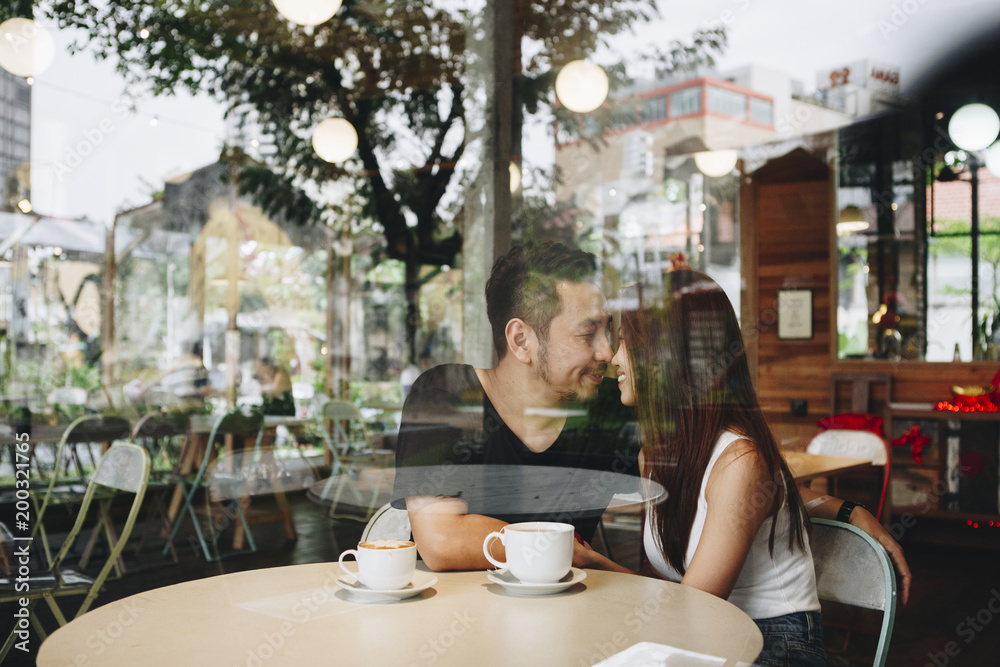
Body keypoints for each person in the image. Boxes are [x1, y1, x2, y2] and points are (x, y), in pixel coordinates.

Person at [611, 270, 910, 666]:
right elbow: (763, 497)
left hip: (773, 645)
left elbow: (693, 605)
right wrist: (846, 508)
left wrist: (600, 565)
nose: (612, 358)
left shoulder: (740, 460)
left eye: (624, 343)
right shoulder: (658, 455)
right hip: (704, 635)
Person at [390, 241, 636, 573]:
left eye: (608, 331)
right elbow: (442, 542)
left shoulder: (609, 406)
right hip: (451, 612)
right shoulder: (446, 394)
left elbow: (676, 494)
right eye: (588, 333)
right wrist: (578, 554)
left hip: (568, 617)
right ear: (522, 340)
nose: (606, 353)